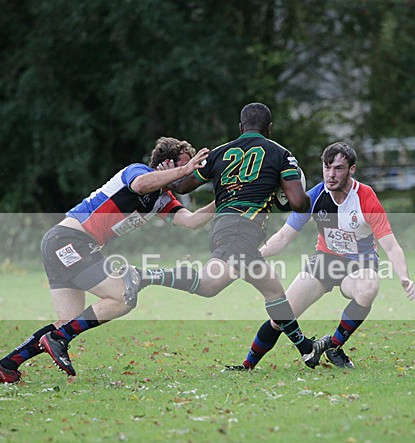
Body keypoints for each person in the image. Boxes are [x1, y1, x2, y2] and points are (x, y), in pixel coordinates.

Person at [0, 137, 214, 383]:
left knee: (67, 322)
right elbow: (139, 186)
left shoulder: (161, 200)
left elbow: (191, 221)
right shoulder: (138, 172)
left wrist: (225, 200)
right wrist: (184, 170)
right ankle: (60, 337)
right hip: (69, 240)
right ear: (167, 163)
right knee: (123, 297)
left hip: (68, 244)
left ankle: (7, 365)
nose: (188, 175)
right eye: (186, 165)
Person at [138, 102, 330, 367]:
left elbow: (182, 187)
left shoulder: (219, 153)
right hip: (243, 230)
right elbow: (298, 202)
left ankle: (304, 351)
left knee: (272, 292)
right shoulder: (280, 154)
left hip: (224, 229)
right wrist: (285, 197)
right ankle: (146, 275)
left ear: (240, 128)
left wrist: (166, 174)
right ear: (269, 128)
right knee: (212, 286)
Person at [225, 141, 415, 370]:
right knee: (281, 318)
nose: (331, 174)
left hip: (359, 265)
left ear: (352, 169)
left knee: (368, 288)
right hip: (325, 262)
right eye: (327, 168)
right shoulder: (315, 196)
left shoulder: (365, 198)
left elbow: (391, 246)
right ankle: (247, 366)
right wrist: (254, 255)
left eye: (338, 168)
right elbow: (284, 236)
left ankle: (333, 346)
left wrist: (404, 276)